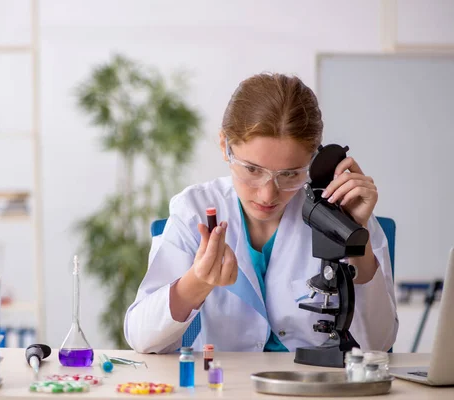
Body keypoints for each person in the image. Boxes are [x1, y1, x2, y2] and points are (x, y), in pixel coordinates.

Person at [123, 73, 398, 354]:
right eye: (252, 170)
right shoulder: (194, 209)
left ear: (314, 162)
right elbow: (142, 338)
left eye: (290, 174)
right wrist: (197, 280)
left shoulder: (341, 208)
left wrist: (355, 234)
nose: (268, 194)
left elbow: (378, 343)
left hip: (315, 387)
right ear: (224, 147)